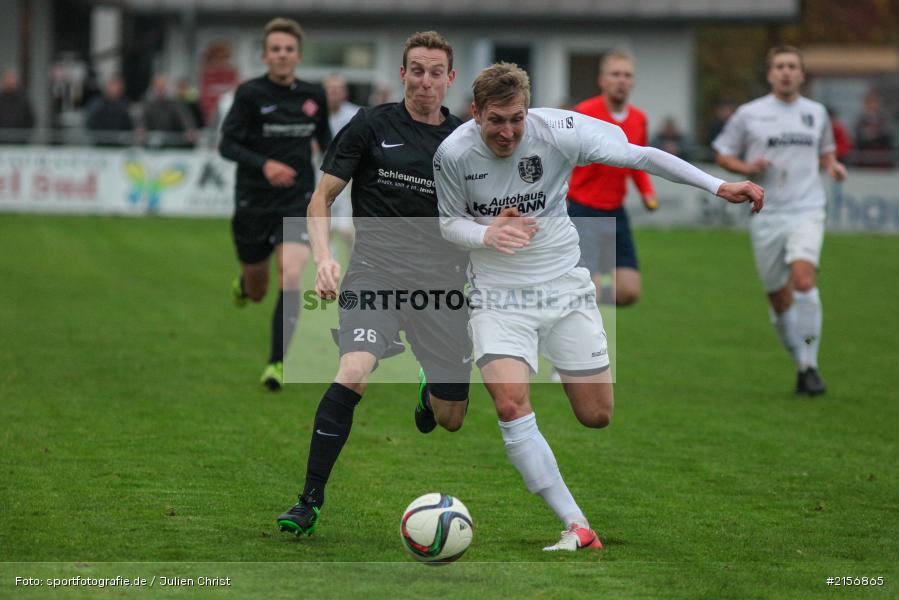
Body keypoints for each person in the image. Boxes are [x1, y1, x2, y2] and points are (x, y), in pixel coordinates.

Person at [435, 62, 763, 551]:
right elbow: (447, 223)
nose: (507, 132)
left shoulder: (560, 130)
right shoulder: (453, 153)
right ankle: (576, 524)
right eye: (496, 120)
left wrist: (718, 186)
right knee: (509, 403)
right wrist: (487, 234)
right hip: (497, 296)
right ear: (476, 112)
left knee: (596, 414)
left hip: (564, 287)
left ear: (529, 111)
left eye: (516, 119)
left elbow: (641, 156)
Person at [276, 31, 472, 537]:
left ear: (450, 79)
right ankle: (308, 501)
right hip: (374, 273)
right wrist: (324, 258)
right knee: (354, 370)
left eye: (435, 72)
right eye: (416, 70)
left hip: (440, 285)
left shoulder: (466, 140)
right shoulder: (370, 124)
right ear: (403, 73)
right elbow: (321, 198)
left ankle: (429, 387)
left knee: (451, 417)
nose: (425, 81)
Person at [713, 45, 847, 397]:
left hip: (807, 208)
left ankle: (810, 366)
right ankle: (801, 364)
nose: (786, 72)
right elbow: (723, 153)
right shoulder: (749, 114)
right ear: (770, 74)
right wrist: (746, 168)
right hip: (766, 212)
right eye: (780, 66)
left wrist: (833, 165)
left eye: (792, 66)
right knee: (778, 299)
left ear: (801, 74)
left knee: (804, 281)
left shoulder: (816, 112)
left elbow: (826, 152)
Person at [219, 17, 332, 390]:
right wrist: (264, 164)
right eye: (276, 49)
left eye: (289, 49)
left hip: (297, 200)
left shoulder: (313, 95)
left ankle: (277, 363)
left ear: (298, 55)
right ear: (265, 56)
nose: (283, 55)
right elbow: (227, 144)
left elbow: (327, 141)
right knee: (258, 291)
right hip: (253, 200)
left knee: (292, 275)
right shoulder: (250, 94)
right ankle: (245, 284)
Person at [567, 50, 656, 307]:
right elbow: (565, 158)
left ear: (633, 81)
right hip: (583, 210)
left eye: (627, 75)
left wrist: (646, 191)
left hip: (616, 211)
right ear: (602, 80)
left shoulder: (639, 119)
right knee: (590, 292)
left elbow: (638, 160)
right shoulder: (584, 113)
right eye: (615, 74)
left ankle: (572, 301)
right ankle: (578, 305)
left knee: (628, 292)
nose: (621, 80)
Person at [323, 73, 361, 248]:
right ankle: (329, 262)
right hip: (321, 176)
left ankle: (356, 260)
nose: (333, 94)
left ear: (345, 92)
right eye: (330, 90)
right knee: (325, 227)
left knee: (347, 230)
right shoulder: (317, 115)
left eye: (337, 90)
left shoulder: (356, 115)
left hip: (348, 179)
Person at [141, 73, 198, 148]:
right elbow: (142, 120)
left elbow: (184, 117)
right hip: (153, 144)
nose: (160, 90)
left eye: (162, 87)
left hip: (172, 144)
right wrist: (141, 129)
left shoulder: (174, 103)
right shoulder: (148, 104)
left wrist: (189, 129)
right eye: (158, 87)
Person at [85, 76, 135, 147]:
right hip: (100, 145)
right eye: (113, 86)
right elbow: (91, 123)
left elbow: (129, 125)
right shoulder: (97, 104)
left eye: (119, 87)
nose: (116, 89)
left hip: (120, 145)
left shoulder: (126, 104)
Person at [853, 92, 894, 168]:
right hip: (865, 152)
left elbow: (888, 132)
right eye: (869, 103)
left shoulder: (883, 117)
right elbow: (858, 134)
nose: (871, 105)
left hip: (881, 151)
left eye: (873, 103)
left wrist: (876, 132)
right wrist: (867, 133)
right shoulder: (860, 119)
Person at [0, 68, 35, 144]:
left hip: (19, 143)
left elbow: (30, 119)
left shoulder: (23, 100)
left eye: (12, 79)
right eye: (8, 79)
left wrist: (25, 136)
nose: (10, 82)